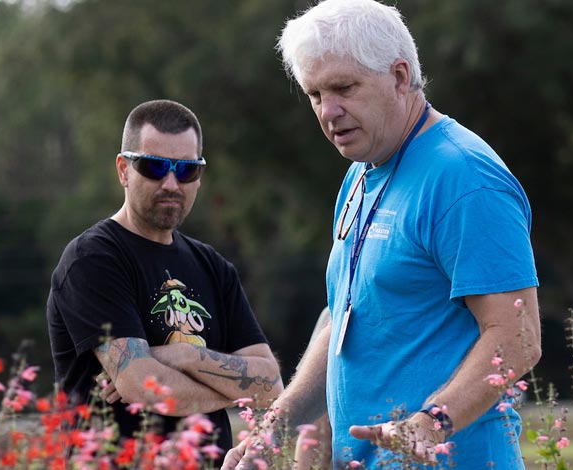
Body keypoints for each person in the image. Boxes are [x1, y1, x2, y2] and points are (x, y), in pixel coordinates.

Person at [225, 0, 541, 467]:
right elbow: (343, 316)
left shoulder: (465, 178)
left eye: (344, 88)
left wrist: (431, 424)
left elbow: (518, 337)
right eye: (314, 94)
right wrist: (274, 430)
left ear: (399, 76)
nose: (329, 111)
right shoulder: (361, 170)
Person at [46, 99, 283, 450]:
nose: (172, 183)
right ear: (124, 170)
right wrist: (233, 388)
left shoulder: (213, 267)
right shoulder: (93, 258)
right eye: (155, 167)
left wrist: (181, 356)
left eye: (187, 170)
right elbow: (142, 386)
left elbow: (270, 386)